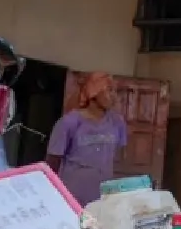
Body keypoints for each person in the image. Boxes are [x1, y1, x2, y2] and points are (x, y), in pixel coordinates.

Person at [47, 73, 128, 205]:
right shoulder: (70, 122)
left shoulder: (117, 122)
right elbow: (52, 162)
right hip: (71, 197)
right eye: (109, 90)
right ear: (94, 93)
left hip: (102, 199)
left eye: (115, 91)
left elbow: (117, 160)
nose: (114, 96)